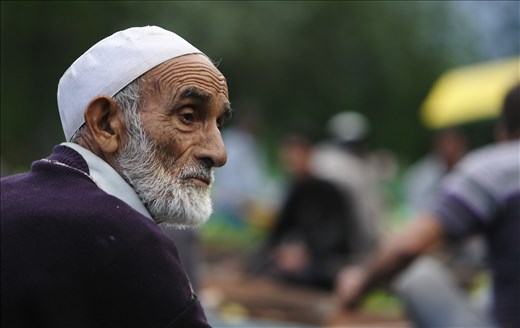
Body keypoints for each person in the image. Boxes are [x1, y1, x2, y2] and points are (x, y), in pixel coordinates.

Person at [1, 26, 232, 327]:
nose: (218, 152)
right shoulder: (124, 239)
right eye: (188, 117)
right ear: (106, 123)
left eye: (219, 124)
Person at [336, 84, 520, 328]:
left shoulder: (493, 169)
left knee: (417, 275)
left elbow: (407, 248)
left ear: (503, 131)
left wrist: (359, 284)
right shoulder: (422, 176)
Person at [252, 131, 354, 290]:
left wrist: (305, 252)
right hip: (299, 260)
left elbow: (337, 237)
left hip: (326, 264)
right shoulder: (295, 190)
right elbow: (278, 232)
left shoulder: (329, 191)